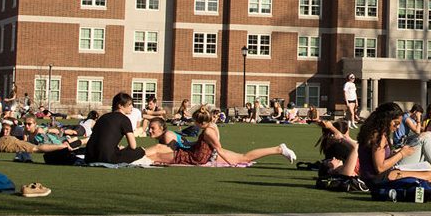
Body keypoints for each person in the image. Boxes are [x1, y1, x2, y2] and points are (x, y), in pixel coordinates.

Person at [356, 102, 431, 190]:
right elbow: (380, 168)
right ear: (386, 119)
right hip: (379, 180)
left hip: (382, 176)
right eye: (396, 123)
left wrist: (397, 153)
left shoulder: (376, 133)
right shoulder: (378, 136)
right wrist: (402, 154)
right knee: (428, 176)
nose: (397, 127)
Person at [152, 107, 296, 166]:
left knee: (243, 158)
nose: (193, 124)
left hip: (213, 155)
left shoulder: (208, 131)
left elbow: (218, 148)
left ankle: (278, 149)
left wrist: (231, 164)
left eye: (195, 122)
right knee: (243, 156)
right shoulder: (211, 126)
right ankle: (278, 149)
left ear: (201, 122)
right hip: (211, 154)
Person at [84, 92, 169, 165]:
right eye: (129, 105)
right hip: (106, 158)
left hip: (89, 156)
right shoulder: (124, 119)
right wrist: (124, 149)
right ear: (120, 105)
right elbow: (133, 146)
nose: (132, 107)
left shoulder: (103, 117)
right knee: (140, 150)